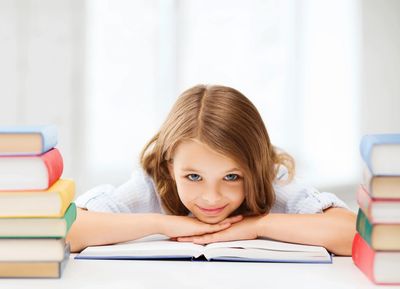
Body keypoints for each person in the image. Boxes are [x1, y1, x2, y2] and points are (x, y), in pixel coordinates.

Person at [67, 84, 356, 255]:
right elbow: (66, 229)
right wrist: (163, 223)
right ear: (170, 167)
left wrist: (257, 225)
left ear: (254, 169)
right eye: (193, 176)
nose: (211, 198)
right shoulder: (154, 185)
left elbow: (353, 233)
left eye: (232, 177)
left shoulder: (271, 183)